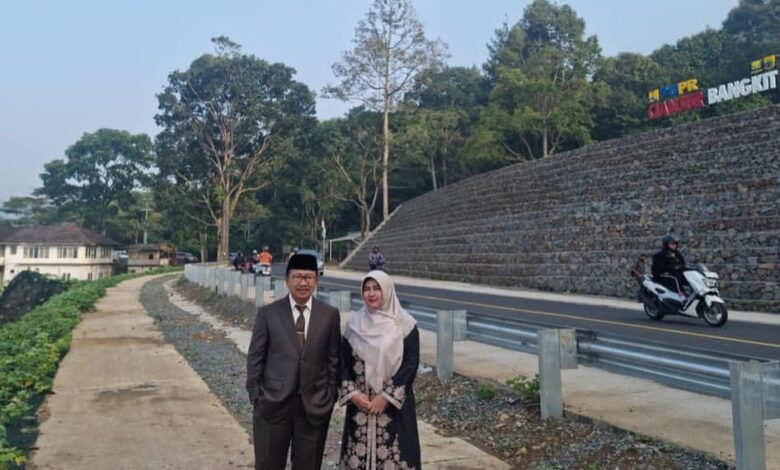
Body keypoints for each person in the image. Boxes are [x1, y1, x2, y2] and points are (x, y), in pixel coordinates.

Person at [246, 254, 341, 470]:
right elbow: (255, 358)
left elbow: (333, 359)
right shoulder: (268, 313)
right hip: (272, 406)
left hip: (313, 407)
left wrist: (329, 396)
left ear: (316, 280)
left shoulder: (329, 315)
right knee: (269, 464)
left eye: (308, 277)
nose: (303, 283)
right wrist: (256, 395)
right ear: (287, 280)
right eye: (297, 277)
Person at [338, 270, 420, 469]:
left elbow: (410, 364)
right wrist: (354, 395)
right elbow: (342, 364)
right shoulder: (354, 324)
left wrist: (386, 397)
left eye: (376, 288)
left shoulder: (405, 325)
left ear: (387, 291)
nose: (371, 293)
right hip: (361, 407)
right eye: (366, 289)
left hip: (394, 409)